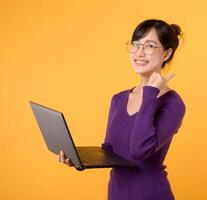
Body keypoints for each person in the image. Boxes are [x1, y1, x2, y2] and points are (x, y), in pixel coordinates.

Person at [57, 19, 186, 200]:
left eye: (149, 46)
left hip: (149, 194)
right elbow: (110, 149)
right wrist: (79, 159)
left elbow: (141, 150)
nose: (139, 53)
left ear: (166, 53)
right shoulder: (118, 99)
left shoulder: (173, 103)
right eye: (136, 45)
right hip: (117, 193)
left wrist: (150, 92)